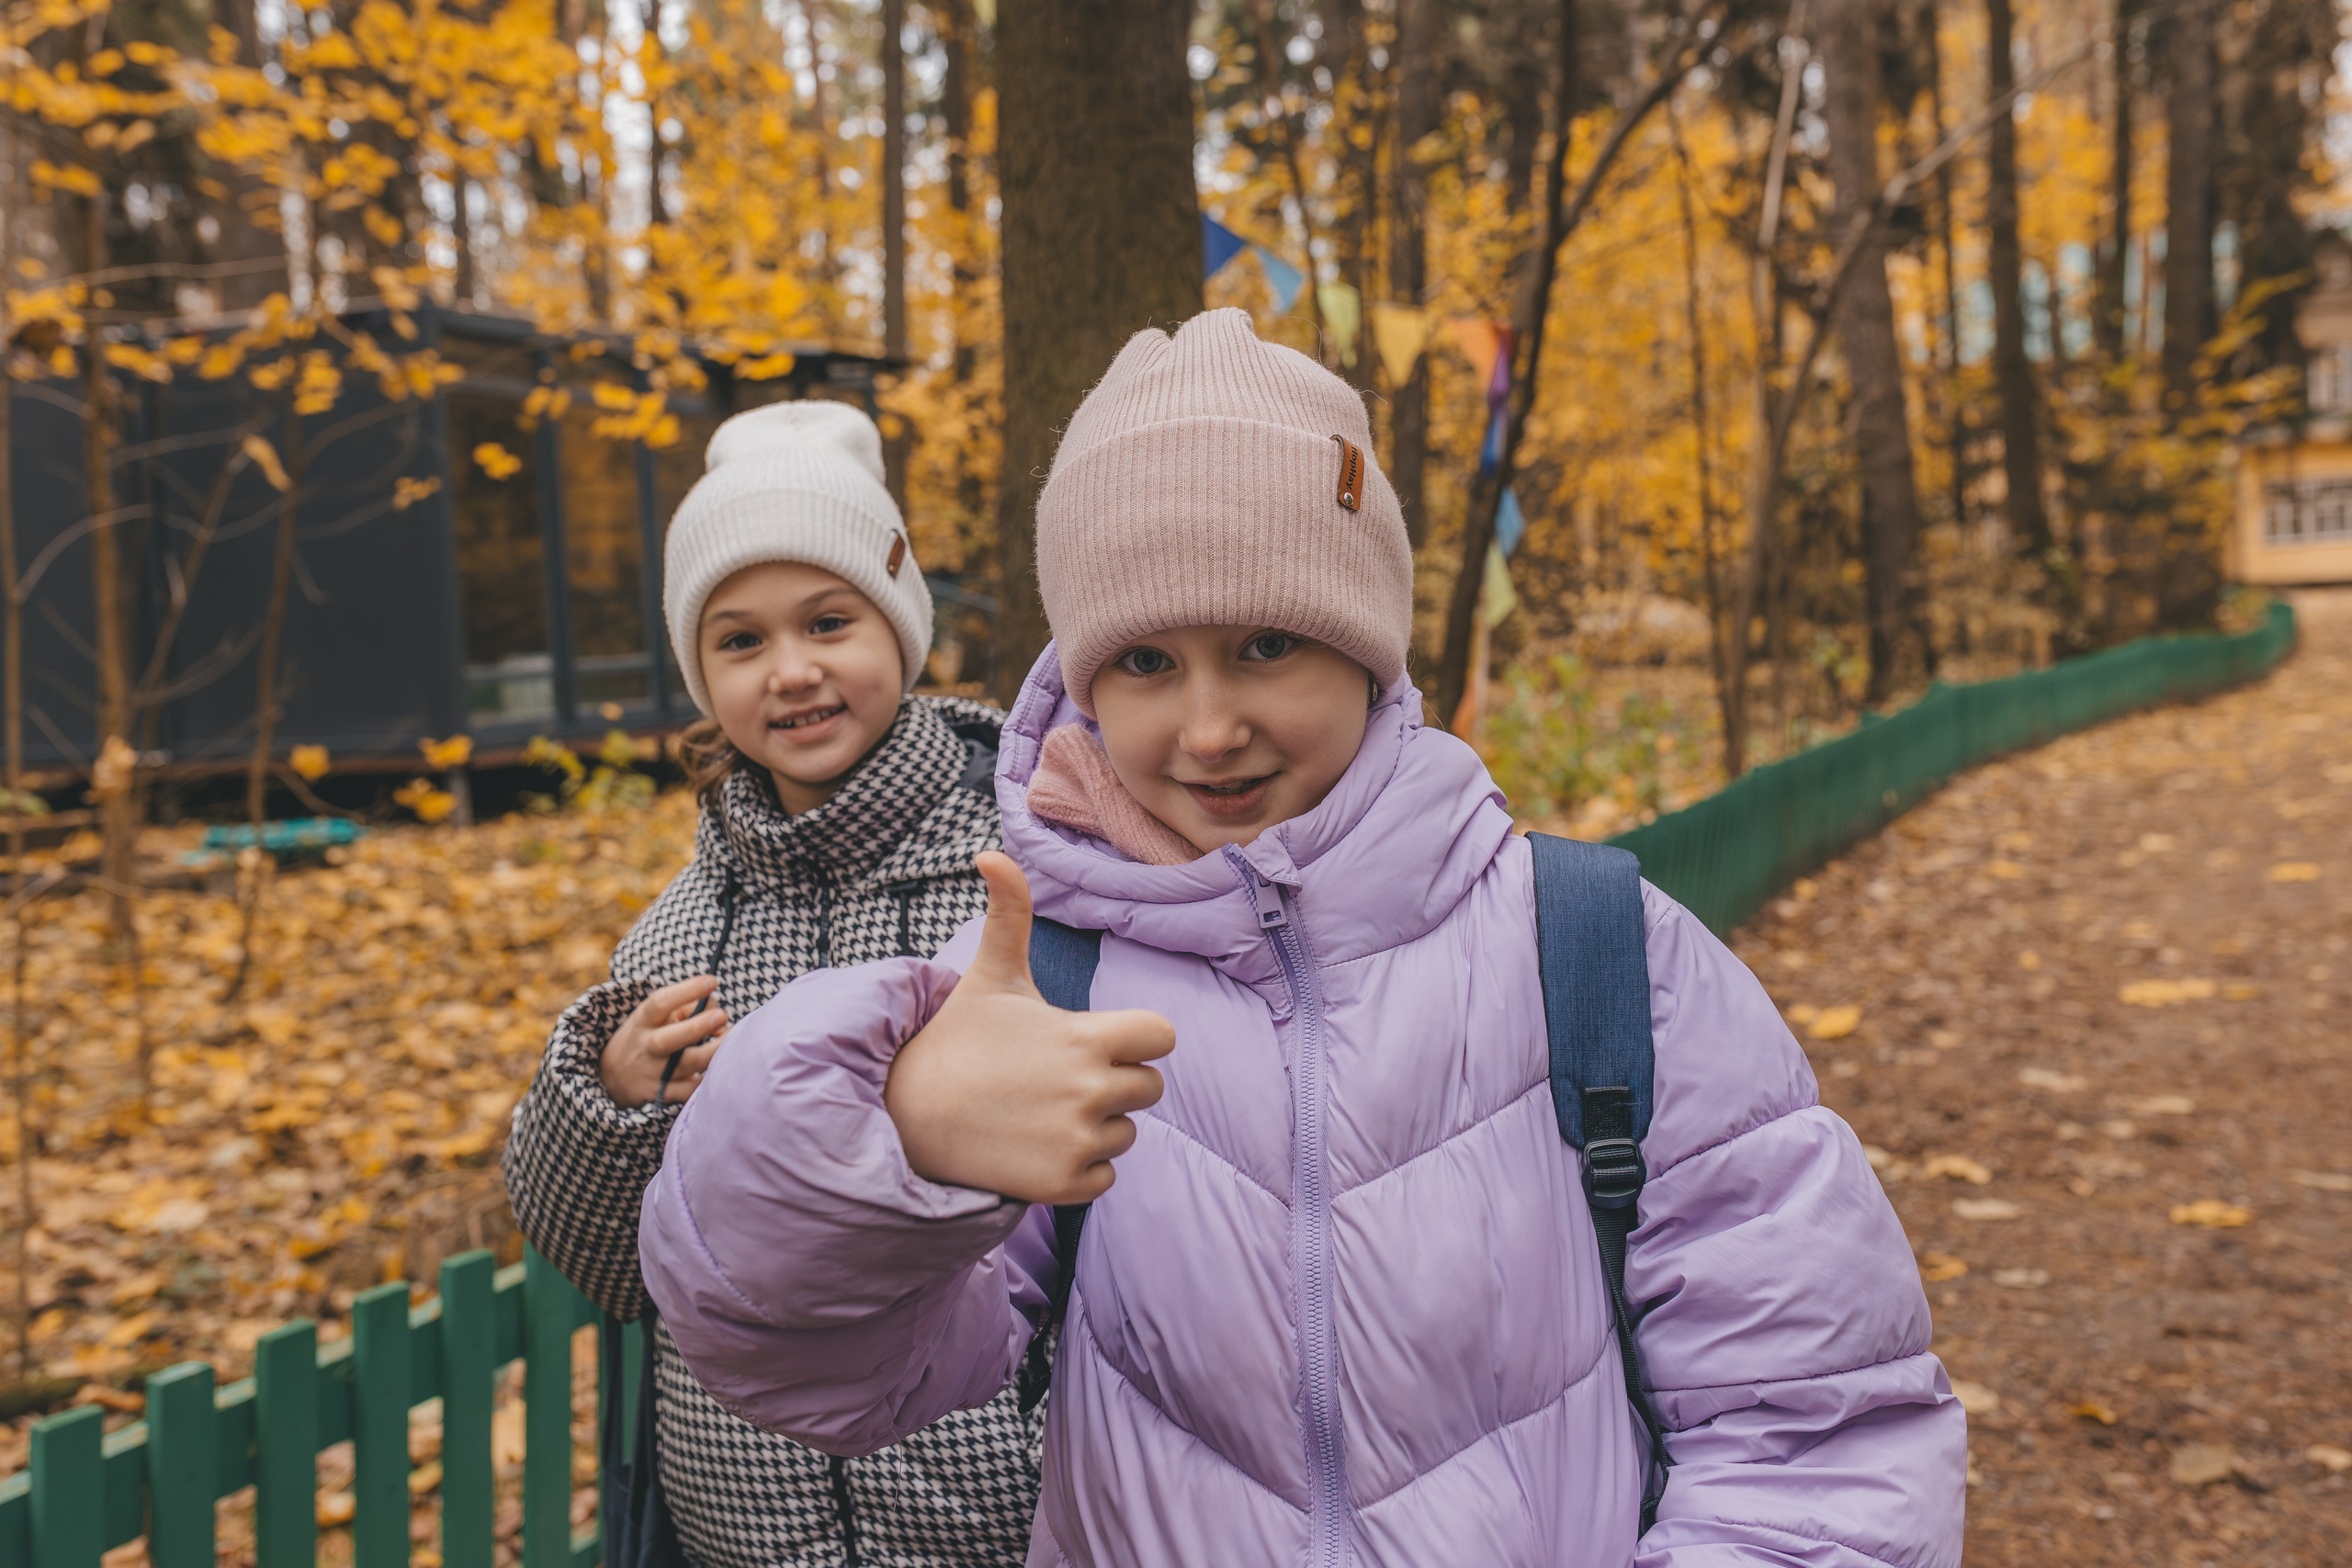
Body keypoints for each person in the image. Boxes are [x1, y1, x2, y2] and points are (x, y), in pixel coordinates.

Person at [638, 312, 1968, 1567]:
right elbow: (818, 1371)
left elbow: (1817, 1431)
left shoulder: (1600, 952)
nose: (1209, 728)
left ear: (1368, 647)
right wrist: (878, 1151)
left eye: (1266, 644)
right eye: (1145, 663)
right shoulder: (1052, 983)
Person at [503, 400, 1042, 1568]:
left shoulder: (1029, 872)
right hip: (746, 1520)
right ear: (702, 675)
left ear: (900, 627)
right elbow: (611, 1267)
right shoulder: (681, 929)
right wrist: (610, 1099)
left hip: (997, 1500)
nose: (791, 672)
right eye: (739, 642)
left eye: (830, 621)